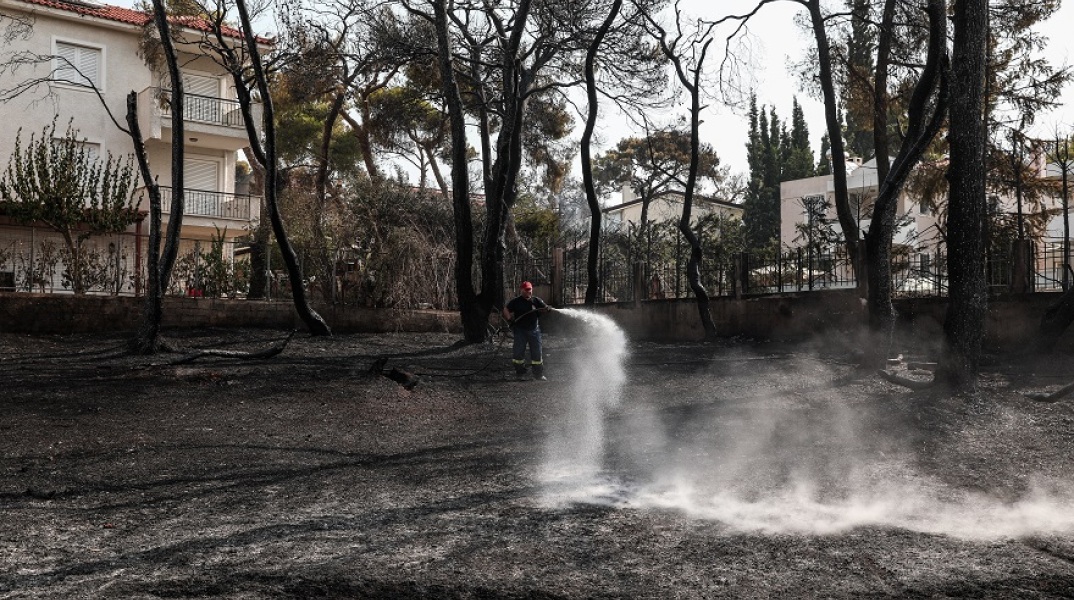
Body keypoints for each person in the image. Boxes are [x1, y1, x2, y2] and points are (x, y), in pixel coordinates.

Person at [502, 281, 553, 380]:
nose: (529, 292)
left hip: (534, 330)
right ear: (521, 290)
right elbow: (505, 309)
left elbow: (544, 308)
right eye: (527, 290)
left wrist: (547, 309)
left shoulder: (536, 300)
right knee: (518, 353)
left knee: (537, 353)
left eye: (530, 289)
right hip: (520, 331)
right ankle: (520, 373)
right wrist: (509, 319)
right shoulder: (516, 301)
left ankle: (538, 374)